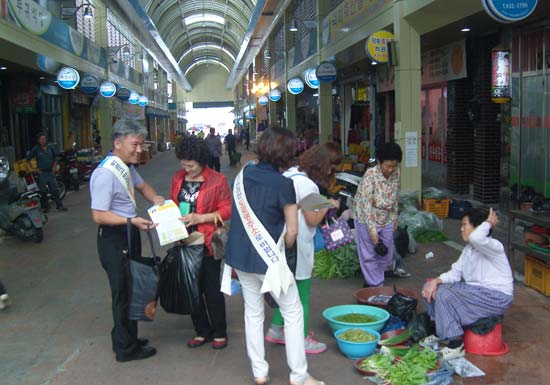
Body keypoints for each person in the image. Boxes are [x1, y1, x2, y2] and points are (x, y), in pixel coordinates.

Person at [225, 127, 325, 385]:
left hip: (240, 258)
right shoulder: (285, 184)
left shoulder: (243, 173)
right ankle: (299, 376)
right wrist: (285, 246)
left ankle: (259, 372)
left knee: (253, 312)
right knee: (293, 312)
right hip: (270, 262)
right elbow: (291, 232)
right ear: (287, 154)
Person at [90, 119, 165, 363]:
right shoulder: (105, 173)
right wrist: (131, 221)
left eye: (141, 145)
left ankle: (126, 338)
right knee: (122, 294)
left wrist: (157, 200)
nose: (140, 150)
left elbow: (142, 186)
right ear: (118, 143)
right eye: (135, 144)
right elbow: (99, 215)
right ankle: (126, 349)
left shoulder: (125, 166)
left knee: (131, 289)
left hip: (127, 234)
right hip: (114, 239)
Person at [266, 143, 343, 355]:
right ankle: (302, 339)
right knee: (302, 295)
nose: (331, 172)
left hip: (282, 242)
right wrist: (328, 204)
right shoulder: (309, 186)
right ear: (324, 165)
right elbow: (312, 219)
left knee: (287, 291)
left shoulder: (290, 174)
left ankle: (275, 330)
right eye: (332, 167)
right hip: (298, 245)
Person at [421, 208, 514, 360]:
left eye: (465, 224)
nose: (461, 228)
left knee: (444, 294)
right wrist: (436, 281)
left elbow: (477, 238)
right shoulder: (469, 249)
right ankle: (440, 331)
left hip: (496, 297)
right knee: (429, 286)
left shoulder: (494, 246)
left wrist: (489, 222)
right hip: (475, 292)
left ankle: (455, 344)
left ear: (478, 227)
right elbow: (455, 272)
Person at [170, 136, 231, 350]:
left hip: (207, 242)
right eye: (183, 164)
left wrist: (200, 218)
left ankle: (219, 331)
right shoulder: (178, 178)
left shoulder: (217, 180)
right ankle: (202, 331)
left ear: (202, 161)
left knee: (211, 290)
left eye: (190, 165)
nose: (186, 169)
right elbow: (174, 204)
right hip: (184, 242)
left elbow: (226, 210)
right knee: (191, 289)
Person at [353, 142, 402, 287]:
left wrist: (395, 217)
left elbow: (396, 195)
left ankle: (373, 279)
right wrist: (372, 230)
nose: (391, 169)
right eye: (387, 166)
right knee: (368, 254)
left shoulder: (396, 173)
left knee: (385, 253)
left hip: (386, 218)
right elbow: (365, 204)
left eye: (394, 166)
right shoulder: (370, 175)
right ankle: (375, 285)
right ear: (379, 162)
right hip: (366, 218)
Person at [26, 133, 67, 213]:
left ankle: (59, 206)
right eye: (41, 139)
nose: (43, 141)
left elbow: (55, 158)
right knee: (43, 191)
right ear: (38, 140)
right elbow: (28, 160)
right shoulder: (36, 149)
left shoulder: (50, 147)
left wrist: (54, 167)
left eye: (44, 139)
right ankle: (46, 207)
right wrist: (34, 169)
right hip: (42, 173)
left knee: (54, 189)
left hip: (50, 172)